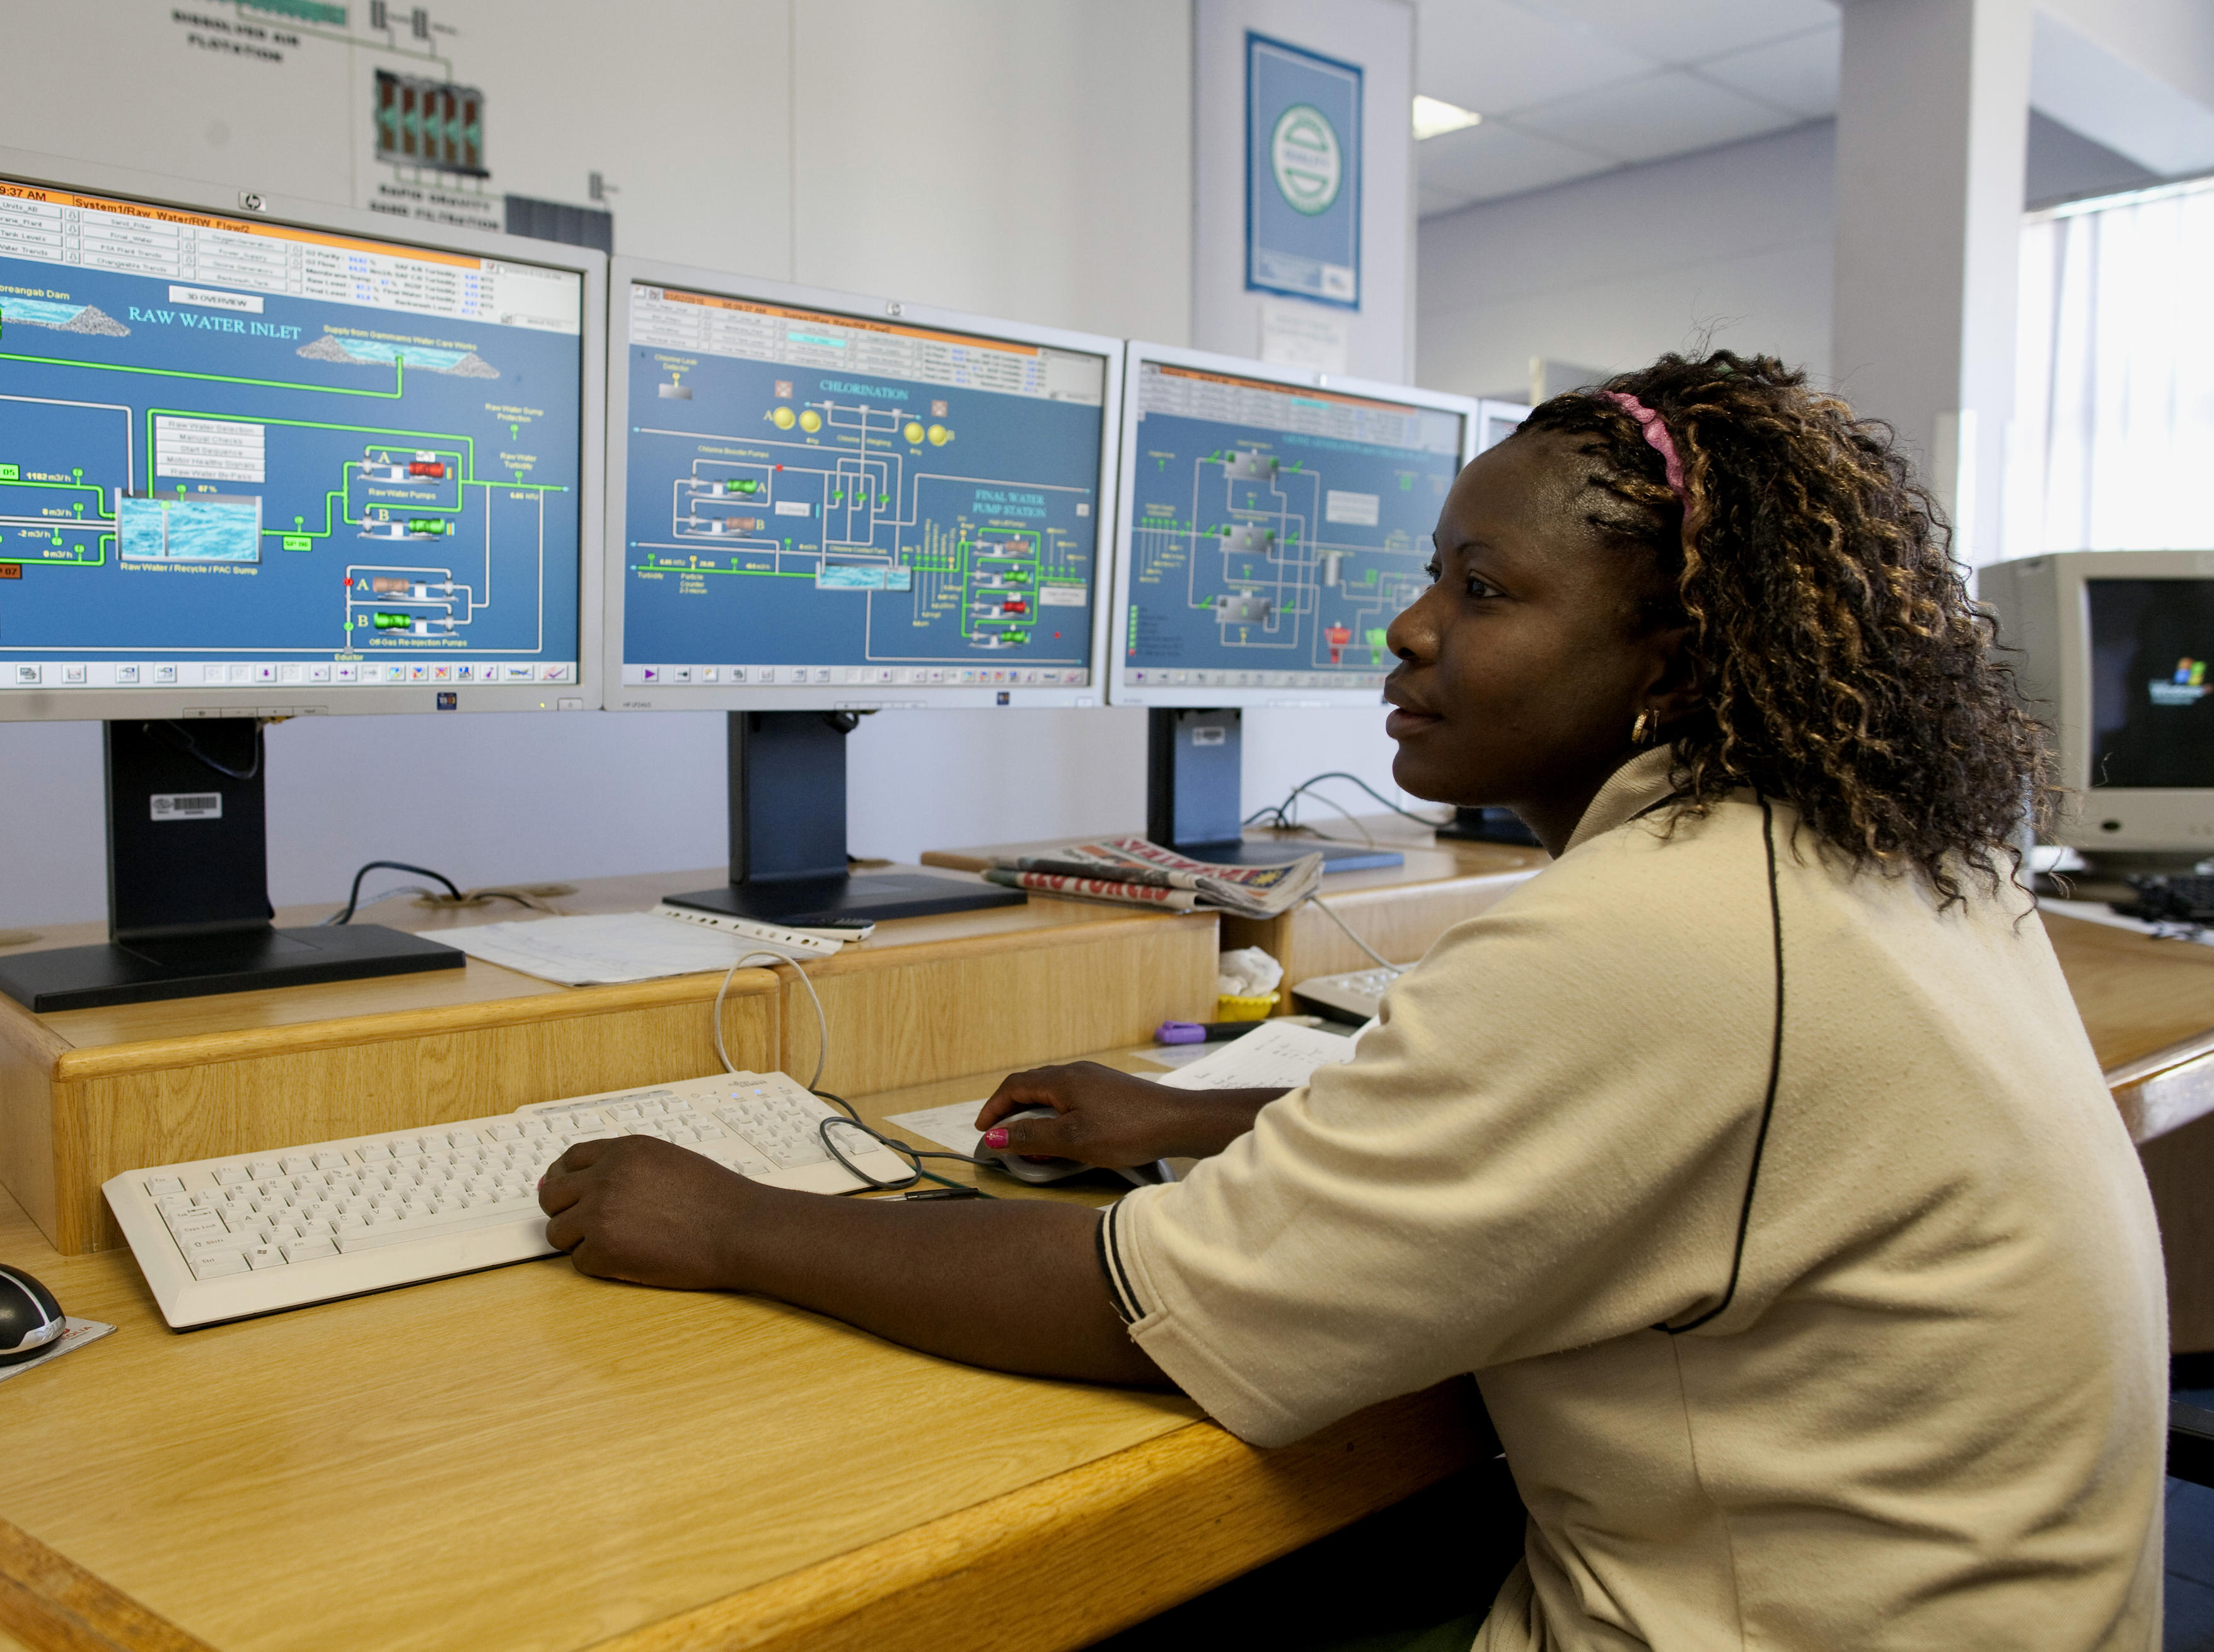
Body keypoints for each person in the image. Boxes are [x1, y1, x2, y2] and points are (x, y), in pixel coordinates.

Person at [537, 352, 2169, 1649]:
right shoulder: (1862, 858)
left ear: (1677, 651)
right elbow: (1617, 1146)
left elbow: (1149, 1306)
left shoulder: (1658, 932)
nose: (1408, 626)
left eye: (1485, 590)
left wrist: (734, 1226)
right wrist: (1197, 1116)